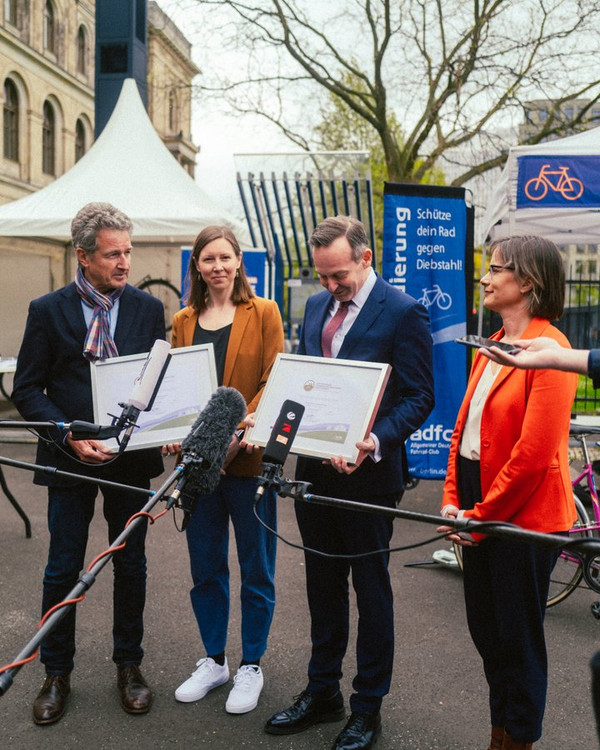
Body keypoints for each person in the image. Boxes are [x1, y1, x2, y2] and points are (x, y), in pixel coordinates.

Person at [264, 216, 434, 750]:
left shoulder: (404, 312)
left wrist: (375, 440)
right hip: (314, 469)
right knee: (322, 587)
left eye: (339, 275)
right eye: (323, 277)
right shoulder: (316, 307)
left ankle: (367, 708)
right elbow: (311, 382)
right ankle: (322, 692)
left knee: (370, 589)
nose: (331, 287)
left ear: (364, 257)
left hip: (370, 476)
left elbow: (419, 397)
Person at [11, 202, 166, 724]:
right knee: (62, 567)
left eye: (128, 251)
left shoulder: (146, 309)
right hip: (69, 457)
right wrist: (69, 436)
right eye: (113, 253)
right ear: (83, 255)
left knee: (132, 563)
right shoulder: (47, 310)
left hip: (129, 459)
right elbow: (27, 389)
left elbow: (157, 384)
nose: (125, 262)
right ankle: (56, 673)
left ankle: (129, 666)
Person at [437, 235, 578, 750]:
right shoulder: (491, 343)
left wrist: (479, 514)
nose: (486, 277)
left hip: (526, 515)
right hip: (478, 502)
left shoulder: (554, 350)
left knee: (517, 640)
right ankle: (499, 735)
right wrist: (454, 501)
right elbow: (461, 433)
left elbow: (532, 456)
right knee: (488, 633)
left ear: (530, 282)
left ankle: (517, 740)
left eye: (497, 269)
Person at [169, 226, 284, 714]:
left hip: (248, 461)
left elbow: (273, 375)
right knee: (206, 566)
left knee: (256, 566)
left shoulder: (265, 313)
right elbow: (176, 385)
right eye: (207, 259)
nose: (217, 266)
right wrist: (178, 430)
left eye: (225, 257)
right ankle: (214, 660)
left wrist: (232, 433)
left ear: (239, 262)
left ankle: (251, 664)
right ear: (196, 265)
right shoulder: (183, 319)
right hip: (199, 466)